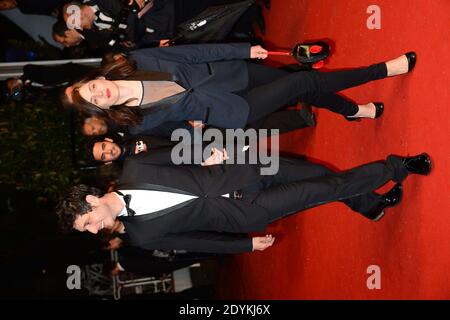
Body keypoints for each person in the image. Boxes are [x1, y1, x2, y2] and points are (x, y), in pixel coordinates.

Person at [56, 152, 431, 253]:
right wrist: (244, 244)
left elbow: (178, 151)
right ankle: (398, 166)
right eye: (86, 231)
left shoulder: (136, 166)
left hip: (244, 170)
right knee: (325, 188)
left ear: (91, 199)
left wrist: (210, 153)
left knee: (313, 173)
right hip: (247, 211)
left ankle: (371, 206)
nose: (94, 230)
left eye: (86, 222)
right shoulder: (141, 237)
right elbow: (195, 242)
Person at [62, 42, 417, 131]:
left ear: (100, 78)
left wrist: (244, 50)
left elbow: (194, 53)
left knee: (302, 88)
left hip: (234, 75)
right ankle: (382, 70)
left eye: (92, 86)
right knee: (304, 79)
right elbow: (174, 136)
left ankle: (353, 111)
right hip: (234, 111)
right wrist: (201, 131)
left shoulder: (138, 60)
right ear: (102, 110)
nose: (98, 93)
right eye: (93, 100)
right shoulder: (137, 121)